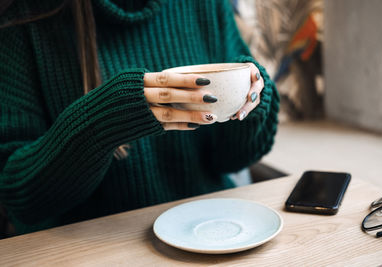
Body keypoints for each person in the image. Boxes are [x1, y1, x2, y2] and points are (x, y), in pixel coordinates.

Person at [0, 0, 279, 235]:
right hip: (90, 247)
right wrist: (101, 122)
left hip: (212, 231)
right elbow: (20, 196)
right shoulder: (27, 20)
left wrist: (252, 101)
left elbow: (231, 158)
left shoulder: (204, 4)